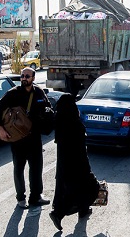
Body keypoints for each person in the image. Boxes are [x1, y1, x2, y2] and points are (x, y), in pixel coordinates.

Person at [0, 67, 52, 209]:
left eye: (27, 76)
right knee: (19, 168)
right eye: (22, 76)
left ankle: (36, 196)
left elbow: (48, 107)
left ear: (33, 78)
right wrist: (1, 130)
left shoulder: (38, 92)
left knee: (36, 168)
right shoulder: (13, 94)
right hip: (18, 139)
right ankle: (20, 198)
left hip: (34, 138)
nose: (24, 78)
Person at [49, 94, 99, 231]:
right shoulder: (75, 124)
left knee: (76, 190)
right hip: (78, 165)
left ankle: (83, 210)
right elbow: (81, 150)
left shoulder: (60, 122)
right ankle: (57, 214)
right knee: (90, 187)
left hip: (64, 166)